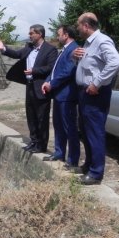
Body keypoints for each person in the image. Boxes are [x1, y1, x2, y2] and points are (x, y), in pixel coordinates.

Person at [0, 24, 58, 153]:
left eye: (32, 33)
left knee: (41, 117)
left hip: (41, 87)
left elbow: (51, 67)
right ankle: (33, 141)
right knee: (31, 115)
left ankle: (41, 145)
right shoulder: (29, 47)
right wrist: (3, 48)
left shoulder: (50, 50)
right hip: (29, 86)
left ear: (39, 34)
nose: (29, 35)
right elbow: (16, 54)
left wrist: (34, 70)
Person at [73, 12, 119, 185]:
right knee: (85, 131)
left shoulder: (102, 41)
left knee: (94, 132)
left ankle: (96, 173)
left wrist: (97, 83)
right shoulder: (87, 43)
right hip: (84, 93)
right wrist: (75, 58)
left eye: (78, 25)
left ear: (86, 26)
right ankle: (89, 166)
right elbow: (89, 67)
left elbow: (115, 62)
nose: (77, 28)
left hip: (95, 94)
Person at [41, 25, 80, 168]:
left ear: (66, 35)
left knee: (69, 128)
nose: (57, 37)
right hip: (58, 95)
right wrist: (47, 81)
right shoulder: (64, 50)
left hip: (67, 96)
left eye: (59, 34)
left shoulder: (74, 49)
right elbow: (55, 70)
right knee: (58, 125)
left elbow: (68, 71)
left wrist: (52, 84)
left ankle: (73, 160)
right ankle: (59, 153)